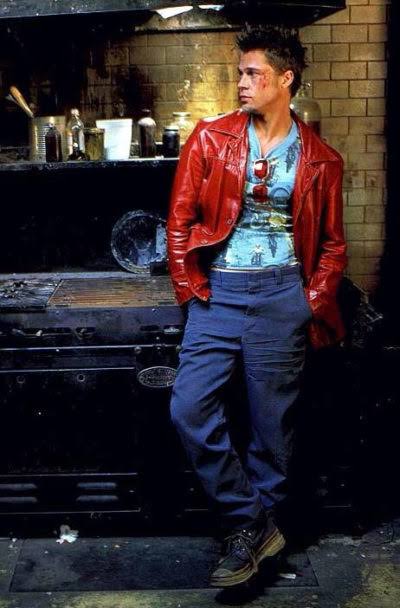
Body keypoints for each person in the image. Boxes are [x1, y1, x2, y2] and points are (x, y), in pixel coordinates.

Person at [166, 25, 347, 588]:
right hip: (219, 293)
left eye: (253, 74)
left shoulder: (321, 159)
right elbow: (180, 220)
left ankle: (247, 543)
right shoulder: (210, 138)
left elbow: (333, 246)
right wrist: (190, 289)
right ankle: (251, 520)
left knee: (272, 430)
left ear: (285, 79)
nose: (242, 83)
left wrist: (307, 301)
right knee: (189, 408)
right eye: (240, 73)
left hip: (281, 296)